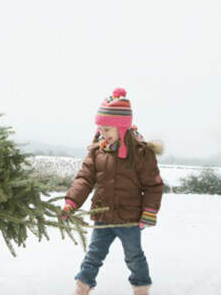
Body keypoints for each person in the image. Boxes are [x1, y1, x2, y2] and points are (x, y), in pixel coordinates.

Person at [62, 88, 163, 295]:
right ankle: (81, 288)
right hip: (103, 215)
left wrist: (149, 212)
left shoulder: (141, 153)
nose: (103, 134)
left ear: (122, 128)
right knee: (93, 255)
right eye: (101, 129)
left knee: (134, 256)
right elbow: (84, 179)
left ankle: (141, 289)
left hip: (129, 219)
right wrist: (71, 203)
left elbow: (153, 186)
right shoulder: (97, 152)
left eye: (107, 129)